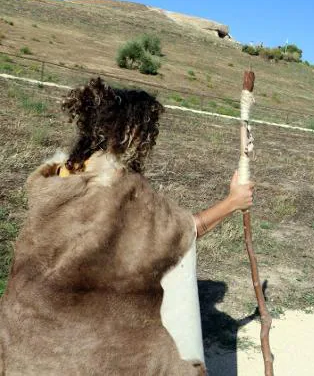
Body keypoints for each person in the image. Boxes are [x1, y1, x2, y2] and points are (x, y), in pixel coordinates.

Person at [0, 78, 253, 374]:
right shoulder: (124, 192)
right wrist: (233, 202)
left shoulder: (56, 178)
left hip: (17, 344)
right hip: (79, 359)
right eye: (147, 135)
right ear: (130, 134)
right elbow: (184, 230)